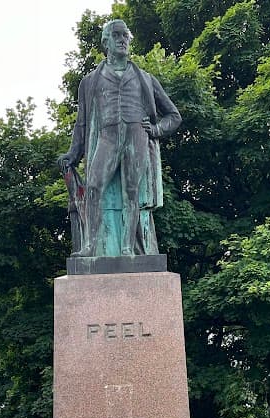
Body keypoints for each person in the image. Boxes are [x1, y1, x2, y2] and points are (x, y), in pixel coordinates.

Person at [58, 19, 181, 257]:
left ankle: (127, 248)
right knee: (93, 187)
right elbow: (82, 122)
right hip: (108, 136)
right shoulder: (90, 81)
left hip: (136, 137)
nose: (123, 39)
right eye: (117, 35)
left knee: (132, 193)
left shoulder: (145, 78)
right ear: (106, 41)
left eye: (125, 35)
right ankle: (90, 246)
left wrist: (155, 130)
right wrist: (74, 153)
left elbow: (174, 116)